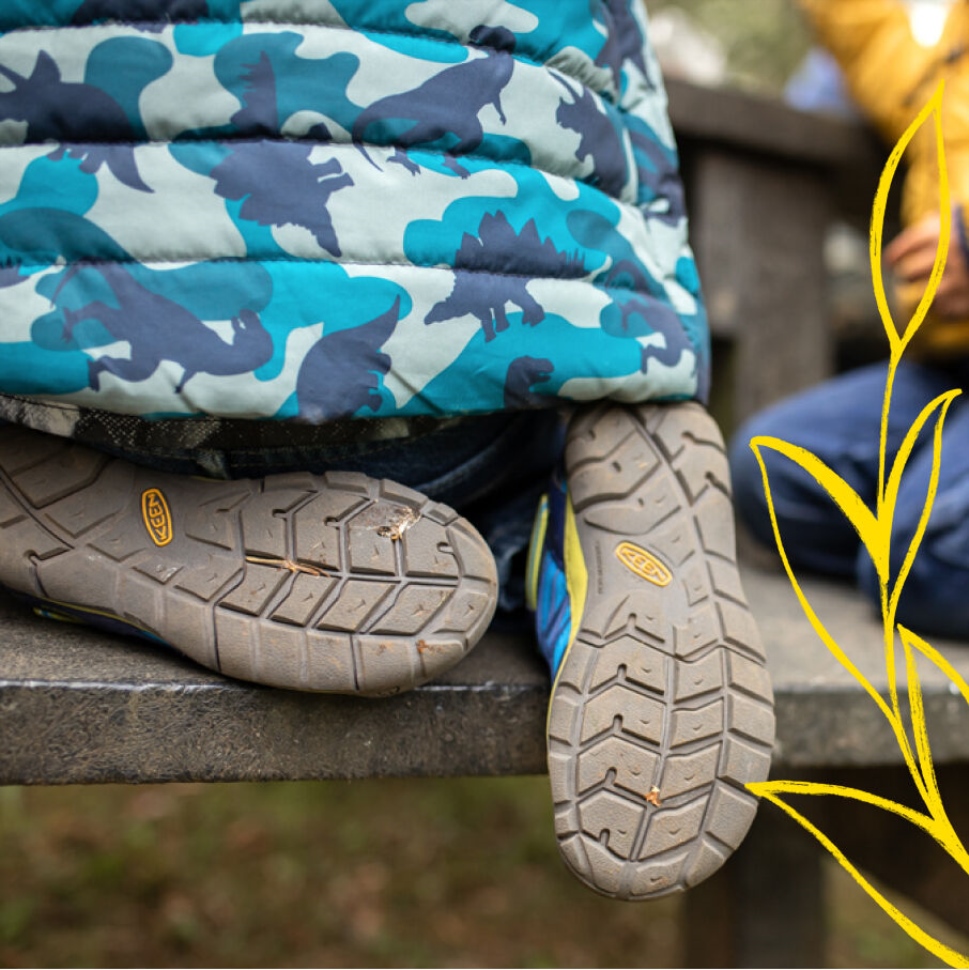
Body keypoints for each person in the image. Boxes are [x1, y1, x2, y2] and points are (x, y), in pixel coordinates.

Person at [0, 0, 773, 900]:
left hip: (79, 383)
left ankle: (79, 496)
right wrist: (653, 354)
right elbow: (639, 167)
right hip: (471, 408)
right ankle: (566, 504)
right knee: (532, 408)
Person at [730, 0, 969, 640]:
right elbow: (881, 51)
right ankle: (905, 555)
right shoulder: (950, 42)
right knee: (768, 471)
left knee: (918, 562)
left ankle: (910, 561)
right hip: (948, 369)